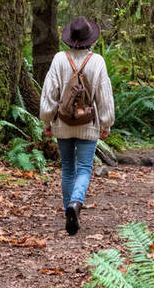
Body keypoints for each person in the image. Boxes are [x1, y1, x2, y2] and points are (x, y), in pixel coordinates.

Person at [39, 15, 115, 236]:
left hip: (62, 123)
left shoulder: (59, 60)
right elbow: (104, 95)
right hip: (88, 123)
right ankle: (76, 203)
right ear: (89, 40)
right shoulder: (97, 61)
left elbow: (49, 94)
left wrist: (47, 121)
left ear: (69, 39)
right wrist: (106, 124)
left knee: (67, 169)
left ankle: (68, 211)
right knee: (84, 168)